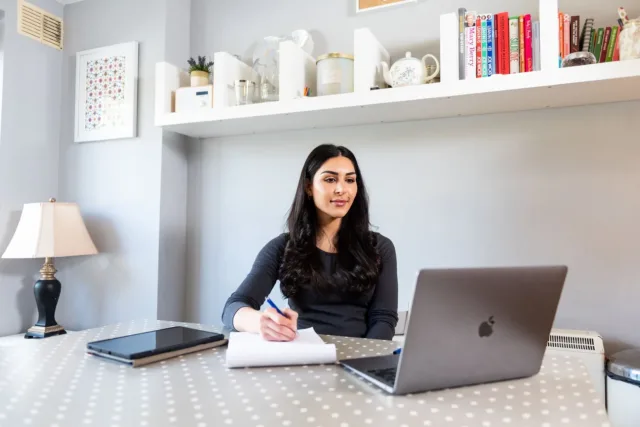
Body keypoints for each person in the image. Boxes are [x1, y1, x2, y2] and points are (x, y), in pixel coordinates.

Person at [221, 144, 398, 341]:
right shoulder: (282, 247)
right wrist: (261, 322)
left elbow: (384, 318)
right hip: (303, 355)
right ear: (308, 187)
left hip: (359, 359)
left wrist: (365, 361)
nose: (341, 189)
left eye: (350, 180)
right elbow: (233, 307)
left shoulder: (380, 247)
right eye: (330, 179)